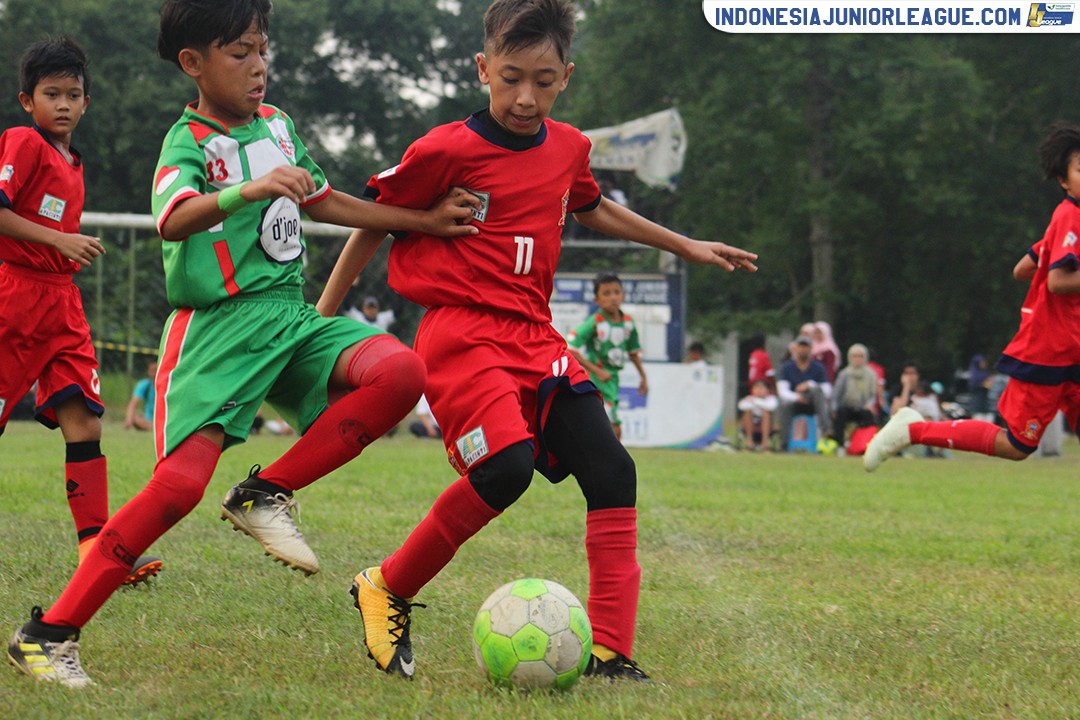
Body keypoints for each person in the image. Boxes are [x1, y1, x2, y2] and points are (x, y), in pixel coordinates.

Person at [6, 0, 481, 689]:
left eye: (263, 49)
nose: (258, 66)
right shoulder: (187, 140)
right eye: (239, 53)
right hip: (218, 332)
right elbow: (171, 219)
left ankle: (265, 491)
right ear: (193, 64)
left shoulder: (279, 126)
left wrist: (423, 221)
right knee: (173, 493)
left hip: (287, 319)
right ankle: (48, 634)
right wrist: (247, 192)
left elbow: (324, 199)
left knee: (401, 372)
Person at [316, 0, 757, 683]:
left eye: (544, 80)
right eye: (511, 77)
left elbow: (593, 205)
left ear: (567, 76)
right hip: (460, 334)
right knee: (505, 470)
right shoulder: (444, 149)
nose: (526, 97)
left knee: (613, 470)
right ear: (483, 68)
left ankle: (609, 653)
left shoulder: (570, 148)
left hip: (534, 335)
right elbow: (373, 219)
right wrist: (324, 321)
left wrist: (685, 245)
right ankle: (387, 585)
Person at [0, 37, 161, 594]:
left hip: (62, 304)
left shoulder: (74, 161)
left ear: (87, 103)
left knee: (85, 420)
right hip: (14, 297)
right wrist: (58, 240)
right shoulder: (22, 141)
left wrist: (61, 251)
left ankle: (97, 552)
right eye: (51, 94)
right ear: (28, 101)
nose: (63, 104)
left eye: (73, 94)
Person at [866, 120, 1080, 471]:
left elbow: (1022, 268)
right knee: (1016, 444)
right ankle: (913, 430)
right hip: (1050, 353)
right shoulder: (1070, 215)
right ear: (1062, 180)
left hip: (1072, 351)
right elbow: (1057, 280)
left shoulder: (1069, 219)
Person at [566, 272, 648, 441]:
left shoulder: (628, 323)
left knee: (609, 425)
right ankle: (611, 463)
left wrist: (643, 376)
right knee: (611, 425)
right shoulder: (595, 321)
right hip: (596, 379)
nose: (613, 298)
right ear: (597, 300)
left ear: (623, 295)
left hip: (612, 379)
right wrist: (597, 370)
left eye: (617, 292)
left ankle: (606, 462)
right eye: (606, 293)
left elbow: (633, 352)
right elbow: (570, 348)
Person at [776, 336, 832, 449]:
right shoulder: (787, 367)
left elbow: (827, 390)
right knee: (785, 405)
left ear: (811, 349)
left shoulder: (818, 367)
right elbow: (782, 391)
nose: (803, 350)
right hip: (795, 402)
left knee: (817, 391)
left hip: (814, 403)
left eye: (806, 347)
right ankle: (784, 442)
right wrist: (797, 397)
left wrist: (809, 384)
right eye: (801, 347)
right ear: (796, 348)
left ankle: (826, 429)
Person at [830, 343, 881, 444]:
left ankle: (864, 444)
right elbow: (836, 395)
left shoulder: (871, 374)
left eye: (860, 356)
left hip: (863, 407)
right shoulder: (844, 374)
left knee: (869, 416)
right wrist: (834, 409)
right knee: (840, 414)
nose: (857, 359)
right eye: (855, 356)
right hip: (846, 407)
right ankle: (840, 444)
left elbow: (872, 395)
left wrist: (869, 404)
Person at [737, 378, 778, 451]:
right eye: (756, 387)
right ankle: (750, 443)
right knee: (747, 412)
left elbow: (771, 407)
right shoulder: (749, 398)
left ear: (767, 390)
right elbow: (741, 406)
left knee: (766, 413)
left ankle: (764, 444)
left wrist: (755, 401)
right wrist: (754, 400)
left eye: (762, 387)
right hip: (750, 427)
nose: (759, 390)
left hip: (767, 427)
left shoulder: (771, 399)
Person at [123, 361, 158, 431]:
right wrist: (129, 419)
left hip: (163, 418)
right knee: (136, 418)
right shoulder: (145, 385)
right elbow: (133, 403)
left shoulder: (168, 385)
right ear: (149, 372)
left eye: (156, 370)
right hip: (149, 419)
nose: (154, 373)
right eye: (152, 371)